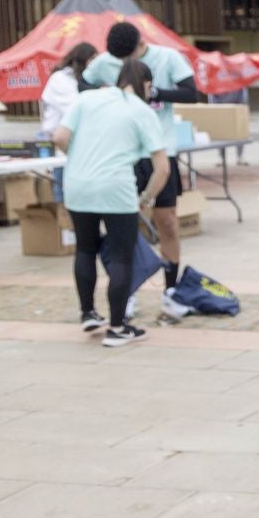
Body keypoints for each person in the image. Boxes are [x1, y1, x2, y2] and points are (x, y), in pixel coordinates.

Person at [82, 21, 201, 317]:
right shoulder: (105, 61)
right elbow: (82, 83)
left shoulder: (167, 57)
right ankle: (128, 291)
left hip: (162, 150)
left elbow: (191, 92)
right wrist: (108, 93)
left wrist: (155, 93)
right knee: (126, 227)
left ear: (140, 44)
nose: (123, 64)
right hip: (125, 155)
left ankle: (170, 291)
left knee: (168, 222)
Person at [54, 59, 168, 345]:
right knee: (121, 255)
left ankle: (88, 313)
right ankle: (117, 327)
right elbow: (162, 168)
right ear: (145, 85)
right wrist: (146, 198)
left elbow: (59, 137)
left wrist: (80, 157)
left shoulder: (87, 98)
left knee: (85, 248)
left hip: (78, 185)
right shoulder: (141, 111)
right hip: (116, 189)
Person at [41, 41, 97, 202]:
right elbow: (75, 109)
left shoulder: (84, 81)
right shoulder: (61, 79)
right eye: (91, 60)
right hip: (63, 149)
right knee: (66, 201)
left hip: (85, 149)